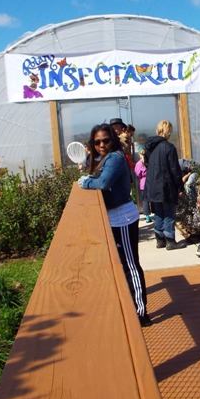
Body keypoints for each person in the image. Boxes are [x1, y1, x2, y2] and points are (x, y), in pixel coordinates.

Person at [78, 124, 152, 326]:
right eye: (97, 142)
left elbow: (103, 183)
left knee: (130, 265)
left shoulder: (115, 158)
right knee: (121, 265)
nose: (102, 145)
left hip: (123, 219)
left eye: (106, 140)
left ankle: (141, 313)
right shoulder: (103, 159)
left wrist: (85, 182)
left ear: (113, 140)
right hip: (113, 218)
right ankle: (131, 307)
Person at [144, 120, 186, 250]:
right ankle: (170, 241)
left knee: (158, 213)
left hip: (152, 185)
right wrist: (180, 187)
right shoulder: (169, 147)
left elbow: (147, 165)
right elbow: (175, 170)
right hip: (166, 186)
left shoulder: (149, 147)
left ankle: (160, 240)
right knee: (168, 213)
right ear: (168, 131)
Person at [134, 151, 152, 223]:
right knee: (153, 199)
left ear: (140, 155)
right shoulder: (150, 161)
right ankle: (157, 214)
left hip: (143, 183)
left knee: (145, 200)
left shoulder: (139, 163)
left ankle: (147, 217)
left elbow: (138, 174)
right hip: (151, 182)